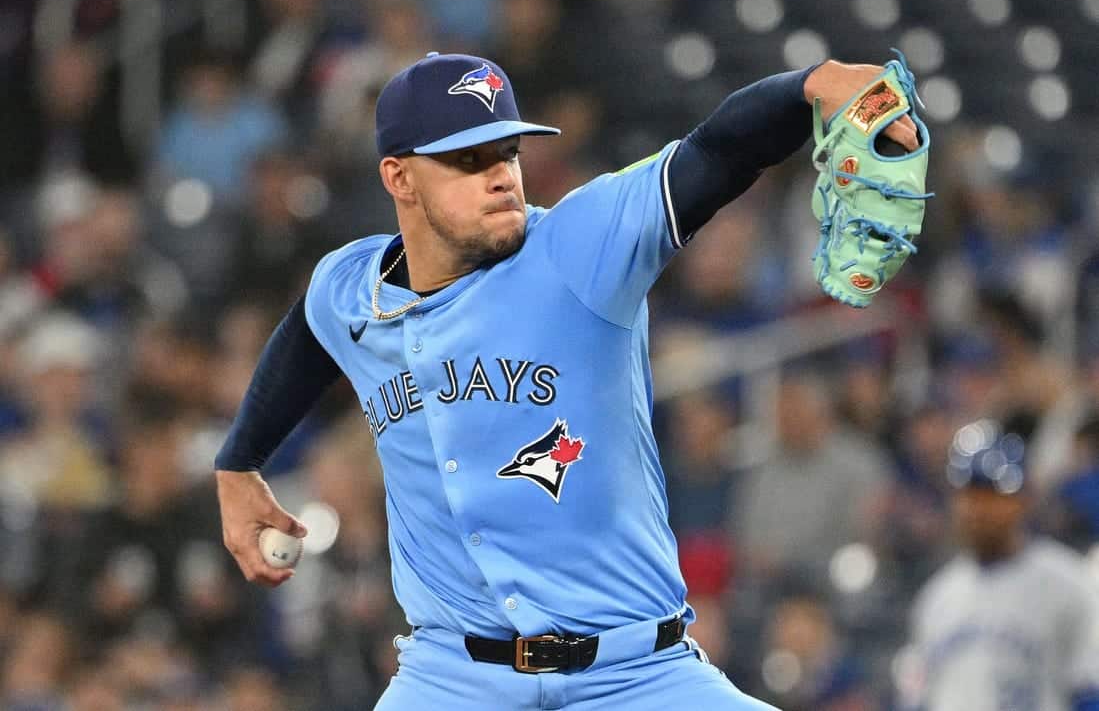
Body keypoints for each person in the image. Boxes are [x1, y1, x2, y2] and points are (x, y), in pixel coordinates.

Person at [214, 50, 921, 709]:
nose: (500, 175)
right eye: (467, 160)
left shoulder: (579, 246)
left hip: (635, 675)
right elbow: (308, 332)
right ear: (399, 177)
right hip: (452, 679)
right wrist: (239, 462)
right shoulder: (353, 286)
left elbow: (714, 152)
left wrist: (809, 86)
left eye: (508, 152)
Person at [903, 419, 1099, 711]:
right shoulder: (936, 597)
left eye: (994, 495)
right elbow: (918, 700)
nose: (979, 508)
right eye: (970, 494)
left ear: (1025, 500)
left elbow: (1089, 692)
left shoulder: (1068, 585)